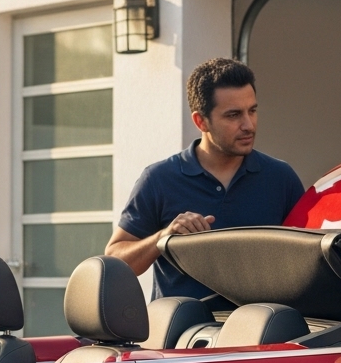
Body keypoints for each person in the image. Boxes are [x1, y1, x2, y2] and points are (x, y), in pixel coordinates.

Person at [106, 58, 304, 301]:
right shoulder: (159, 179)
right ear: (201, 121)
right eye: (233, 115)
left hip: (262, 332)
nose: (248, 125)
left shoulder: (281, 178)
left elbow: (310, 262)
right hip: (181, 334)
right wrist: (163, 238)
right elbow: (115, 261)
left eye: (252, 111)